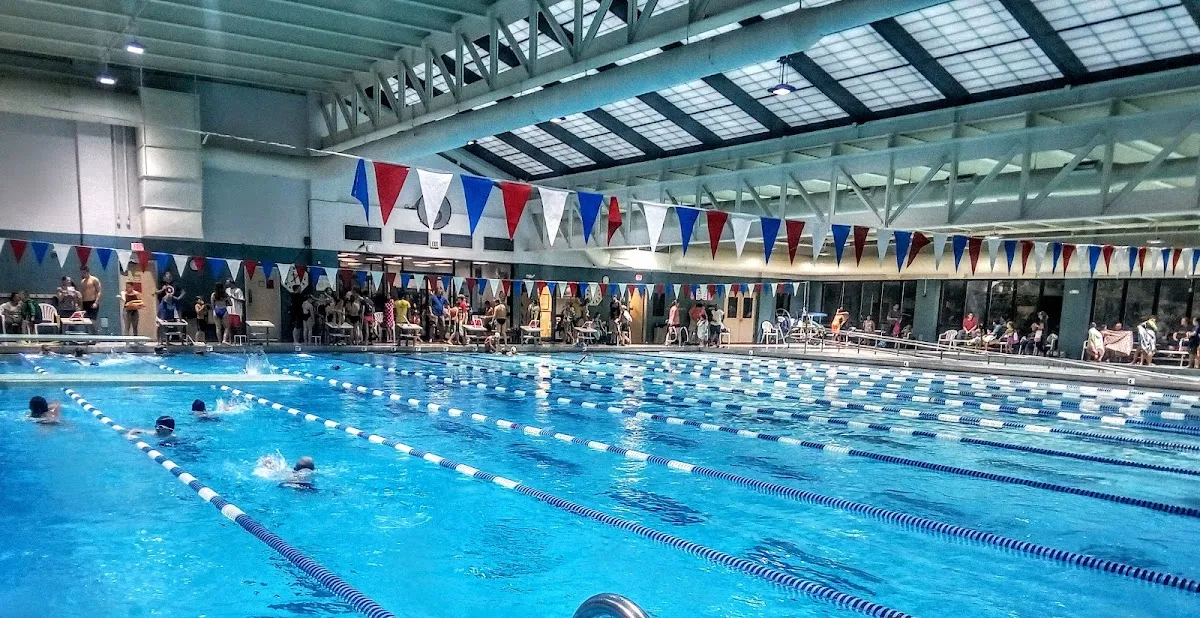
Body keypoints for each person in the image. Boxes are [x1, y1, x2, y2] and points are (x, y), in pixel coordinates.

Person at [79, 265, 102, 333]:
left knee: (92, 321)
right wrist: (80, 304)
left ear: (87, 272)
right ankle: (87, 337)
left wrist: (96, 302)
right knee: (86, 321)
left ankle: (95, 335)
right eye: (82, 273)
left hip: (93, 302)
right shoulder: (82, 282)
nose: (83, 274)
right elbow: (82, 294)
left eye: (84, 272)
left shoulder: (94, 280)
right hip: (85, 303)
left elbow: (99, 291)